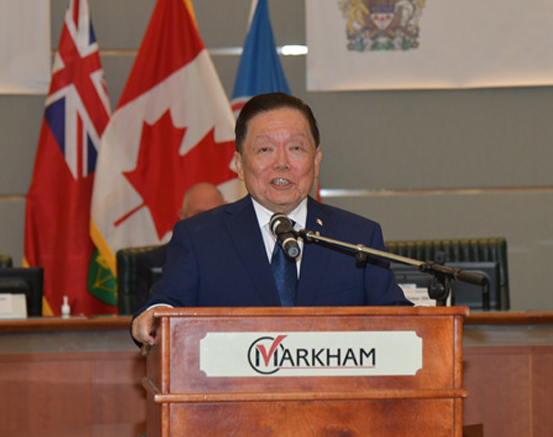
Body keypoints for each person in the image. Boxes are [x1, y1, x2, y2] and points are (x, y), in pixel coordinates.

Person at [131, 92, 409, 346]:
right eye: (265, 149)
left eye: (296, 148)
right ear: (240, 165)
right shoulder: (200, 237)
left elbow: (400, 323)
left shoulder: (357, 236)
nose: (281, 163)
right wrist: (156, 316)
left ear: (316, 161)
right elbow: (165, 305)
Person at [134, 182, 226, 308]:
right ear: (182, 217)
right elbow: (146, 315)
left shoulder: (241, 255)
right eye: (199, 215)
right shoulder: (155, 262)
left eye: (214, 213)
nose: (207, 221)